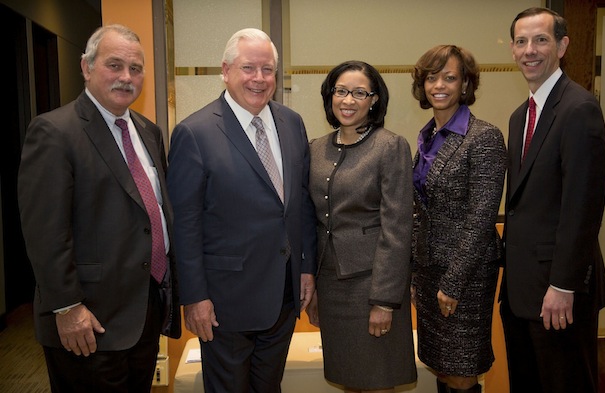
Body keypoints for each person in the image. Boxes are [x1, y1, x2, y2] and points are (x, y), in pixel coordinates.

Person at [17, 24, 181, 393]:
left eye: (135, 68)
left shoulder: (148, 131)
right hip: (87, 321)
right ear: (86, 67)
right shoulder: (54, 132)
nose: (127, 77)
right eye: (115, 65)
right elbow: (45, 233)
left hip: (142, 312)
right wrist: (67, 307)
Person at [166, 28, 317, 393]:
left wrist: (307, 266)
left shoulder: (291, 123)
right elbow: (184, 224)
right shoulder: (194, 132)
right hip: (224, 303)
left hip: (282, 295)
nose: (259, 78)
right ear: (226, 70)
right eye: (249, 68)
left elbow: (301, 203)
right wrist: (195, 297)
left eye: (268, 70)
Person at [500, 7, 605, 393]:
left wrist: (563, 285)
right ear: (513, 50)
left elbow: (584, 207)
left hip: (559, 294)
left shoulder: (579, 109)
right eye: (521, 41)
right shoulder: (520, 116)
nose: (530, 50)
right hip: (520, 292)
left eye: (541, 40)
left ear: (562, 46)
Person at [305, 60, 417, 393]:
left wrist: (384, 300)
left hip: (372, 286)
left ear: (374, 100)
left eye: (359, 93)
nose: (348, 100)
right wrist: (312, 289)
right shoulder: (316, 148)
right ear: (330, 96)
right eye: (341, 91)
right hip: (331, 287)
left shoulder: (390, 146)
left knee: (377, 381)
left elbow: (397, 227)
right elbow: (312, 220)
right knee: (348, 381)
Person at [410, 45, 507, 393]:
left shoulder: (484, 138)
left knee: (462, 370)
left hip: (465, 276)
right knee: (440, 365)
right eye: (431, 77)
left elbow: (481, 219)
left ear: (465, 83)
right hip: (429, 270)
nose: (439, 85)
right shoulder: (426, 137)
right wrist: (415, 274)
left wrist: (453, 282)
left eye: (449, 77)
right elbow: (419, 209)